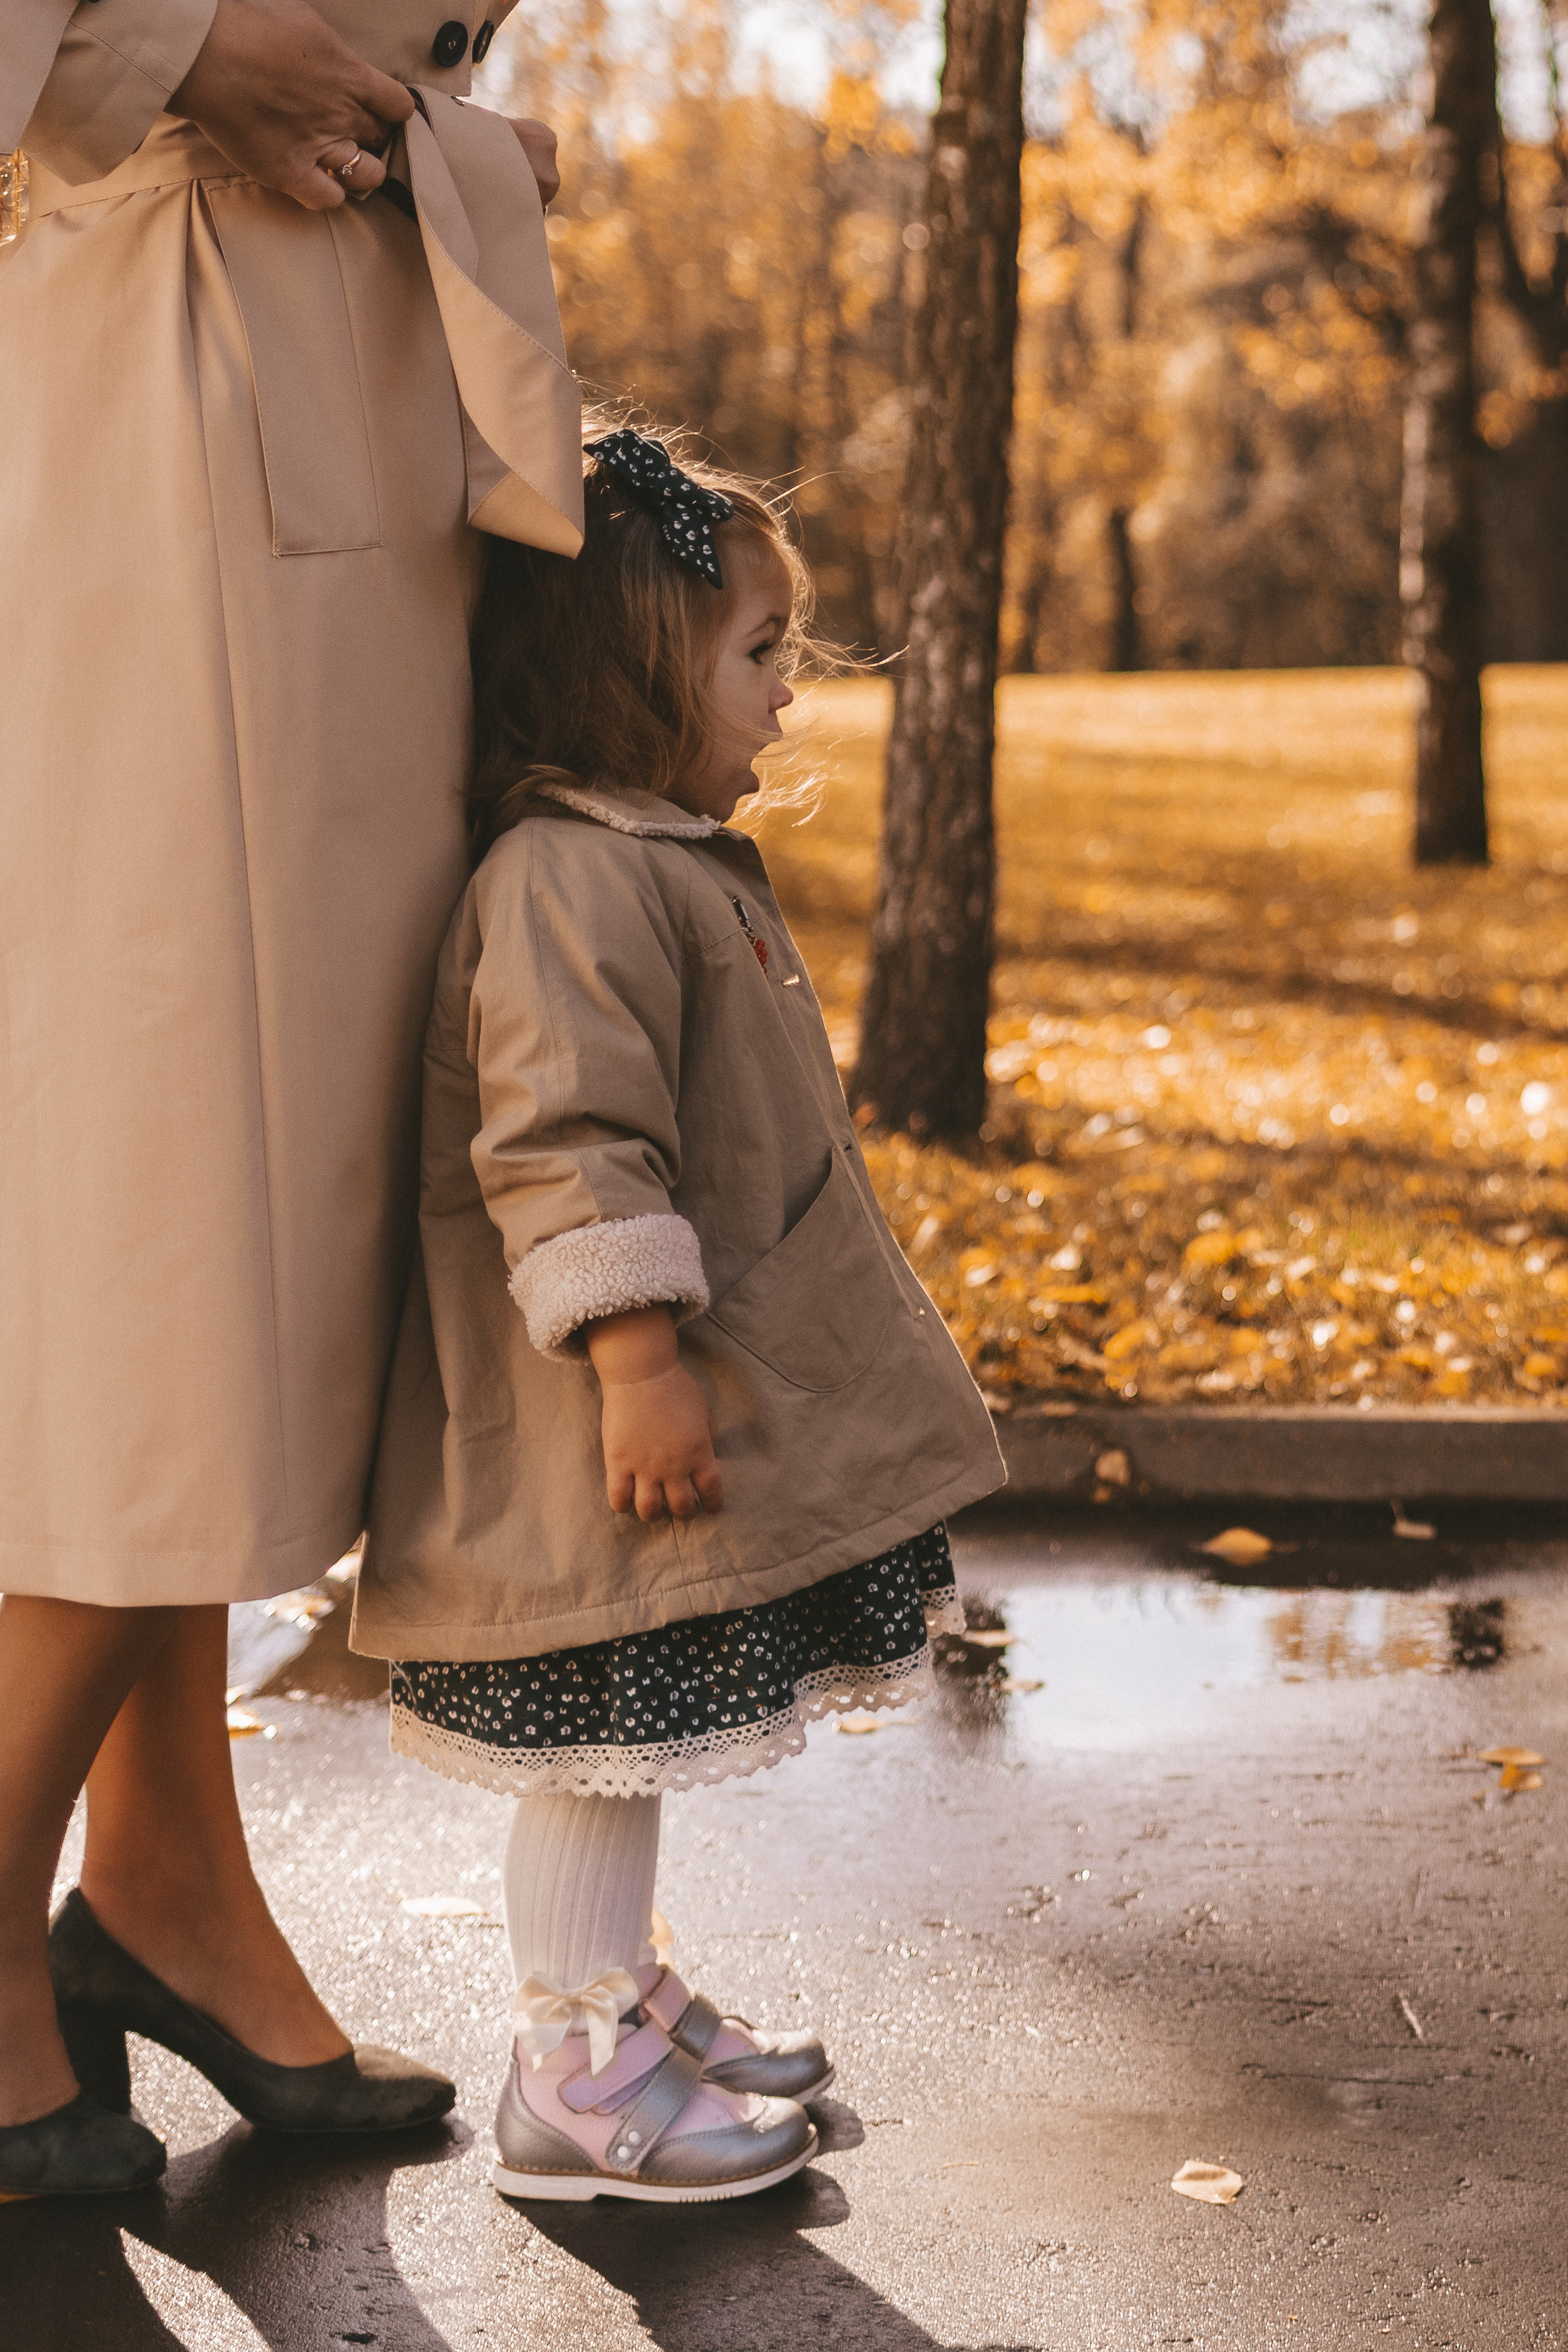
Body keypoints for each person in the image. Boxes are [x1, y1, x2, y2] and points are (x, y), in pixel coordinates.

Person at [0, 0, 582, 2199]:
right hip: (164, 368)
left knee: (256, 1193)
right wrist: (181, 42)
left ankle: (166, 1873)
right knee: (170, 1175)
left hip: (330, 356)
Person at [350, 426, 1008, 2204]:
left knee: (625, 1743)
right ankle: (569, 2073)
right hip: (579, 1436)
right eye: (760, 655)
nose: (790, 695)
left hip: (627, 1422)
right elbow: (565, 1142)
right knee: (591, 1747)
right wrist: (637, 1360)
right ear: (634, 669)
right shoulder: (570, 880)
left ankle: (619, 1998)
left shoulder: (652, 856)